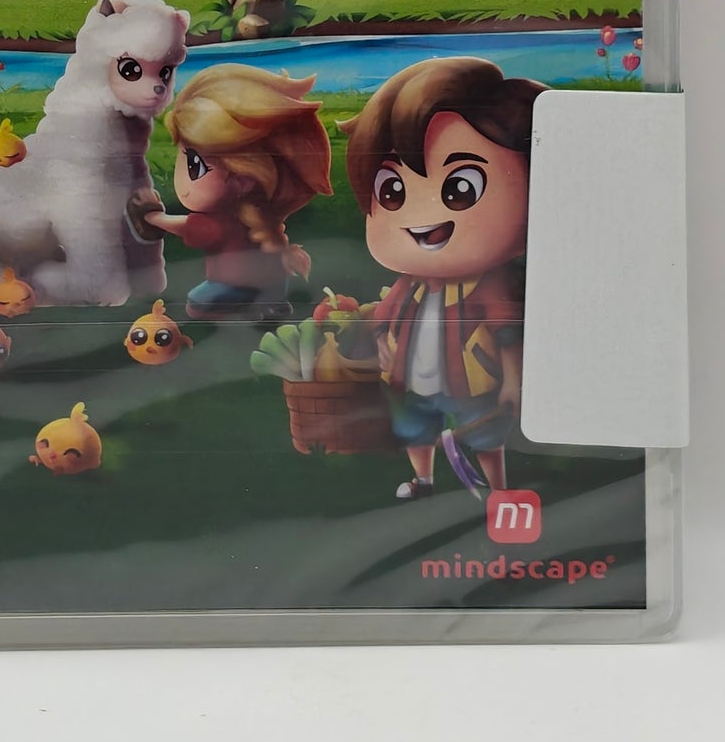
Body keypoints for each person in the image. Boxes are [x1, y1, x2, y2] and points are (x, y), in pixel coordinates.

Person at [345, 57, 542, 501]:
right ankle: (424, 480)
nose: (421, 216)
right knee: (415, 429)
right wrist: (379, 344)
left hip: (472, 382)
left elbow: (508, 334)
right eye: (392, 192)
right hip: (412, 380)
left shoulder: (491, 285)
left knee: (485, 435)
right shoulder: (410, 283)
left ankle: (498, 488)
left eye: (460, 188)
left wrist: (513, 381)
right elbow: (384, 316)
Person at [141, 65, 331, 322]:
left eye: (194, 164)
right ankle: (269, 304)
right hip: (275, 286)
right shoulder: (262, 216)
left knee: (195, 304)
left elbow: (185, 226)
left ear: (242, 179)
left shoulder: (221, 221)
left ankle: (240, 306)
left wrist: (152, 217)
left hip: (232, 287)